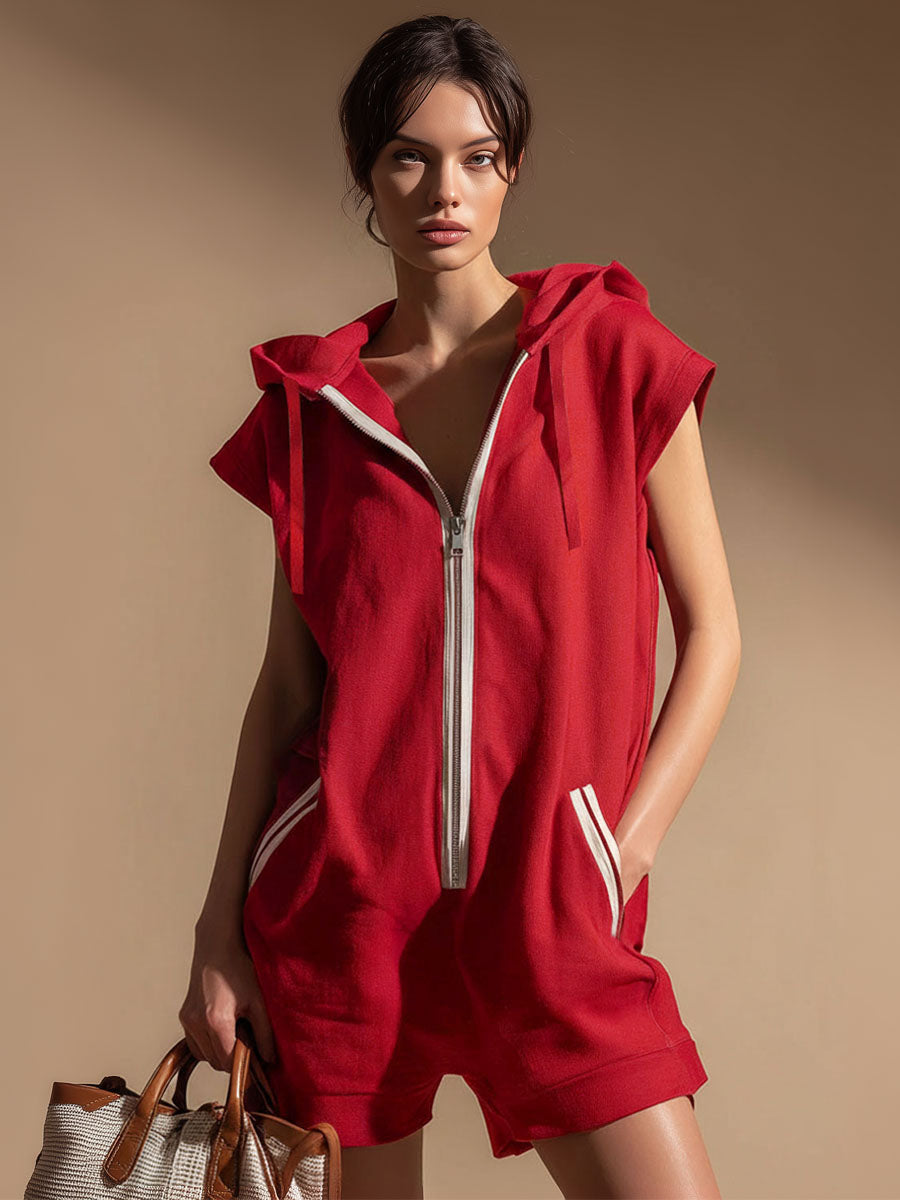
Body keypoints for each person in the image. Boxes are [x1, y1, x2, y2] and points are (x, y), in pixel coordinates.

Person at [180, 15, 739, 1200]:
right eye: (410, 157)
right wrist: (216, 931)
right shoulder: (315, 412)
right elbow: (288, 688)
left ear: (512, 170)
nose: (446, 190)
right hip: (344, 918)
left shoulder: (610, 356)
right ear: (366, 173)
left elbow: (716, 634)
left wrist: (620, 848)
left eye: (478, 158)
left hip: (549, 908)